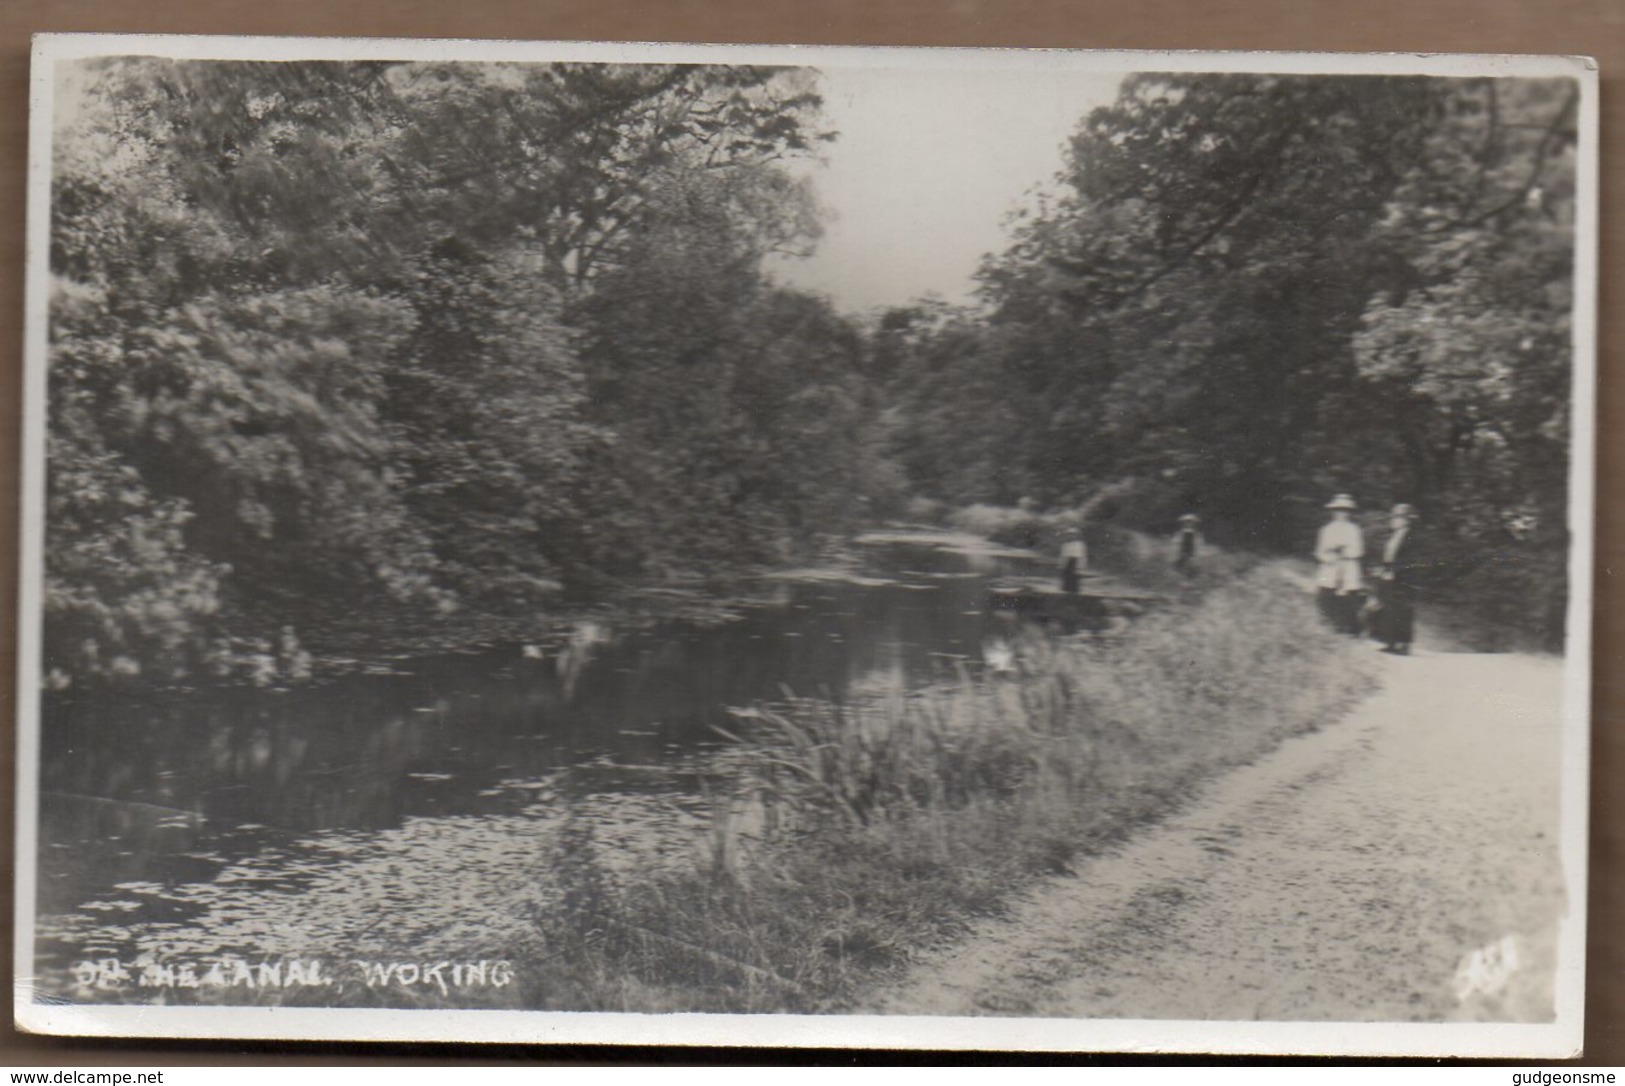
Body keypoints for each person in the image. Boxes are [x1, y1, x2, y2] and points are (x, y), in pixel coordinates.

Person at [1370, 503, 1421, 654]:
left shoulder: (1411, 537)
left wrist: (1394, 570)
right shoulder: (1394, 536)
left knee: (1403, 609)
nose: (1393, 520)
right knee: (1389, 609)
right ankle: (1390, 642)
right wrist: (1382, 568)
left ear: (1406, 520)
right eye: (1394, 517)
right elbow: (1389, 556)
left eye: (1397, 517)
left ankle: (1404, 644)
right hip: (1391, 575)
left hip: (1404, 577)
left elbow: (1410, 560)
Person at [1314, 493, 1365, 635]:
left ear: (1349, 512)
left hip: (1348, 568)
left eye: (1345, 510)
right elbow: (1319, 552)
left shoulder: (1354, 530)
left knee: (1349, 599)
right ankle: (1329, 625)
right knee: (1327, 596)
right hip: (1330, 568)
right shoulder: (1326, 530)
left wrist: (1345, 551)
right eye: (1339, 510)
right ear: (1333, 511)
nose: (1342, 513)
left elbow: (1358, 551)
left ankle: (1349, 628)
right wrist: (1328, 557)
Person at [1059, 527, 1087, 594]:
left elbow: (1082, 555)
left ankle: (1074, 592)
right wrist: (1061, 564)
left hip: (1075, 561)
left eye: (1073, 535)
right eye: (1069, 534)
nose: (1071, 536)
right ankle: (1066, 591)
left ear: (1077, 536)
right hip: (1067, 561)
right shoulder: (1065, 544)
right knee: (1066, 576)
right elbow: (1063, 555)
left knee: (1074, 577)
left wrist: (1081, 565)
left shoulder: (1080, 544)